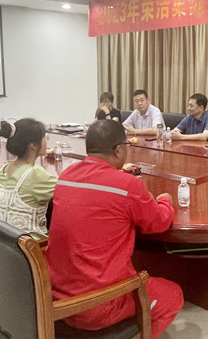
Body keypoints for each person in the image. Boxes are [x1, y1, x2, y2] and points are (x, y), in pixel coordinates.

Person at [45, 120, 183, 338]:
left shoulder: (66, 177)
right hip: (97, 306)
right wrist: (165, 200)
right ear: (119, 150)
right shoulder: (127, 185)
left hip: (56, 297)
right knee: (173, 296)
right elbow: (158, 222)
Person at [0, 119, 57, 239]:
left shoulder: (4, 168)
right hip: (31, 247)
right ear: (33, 145)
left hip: (3, 242)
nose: (46, 141)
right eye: (45, 137)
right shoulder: (35, 174)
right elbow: (67, 192)